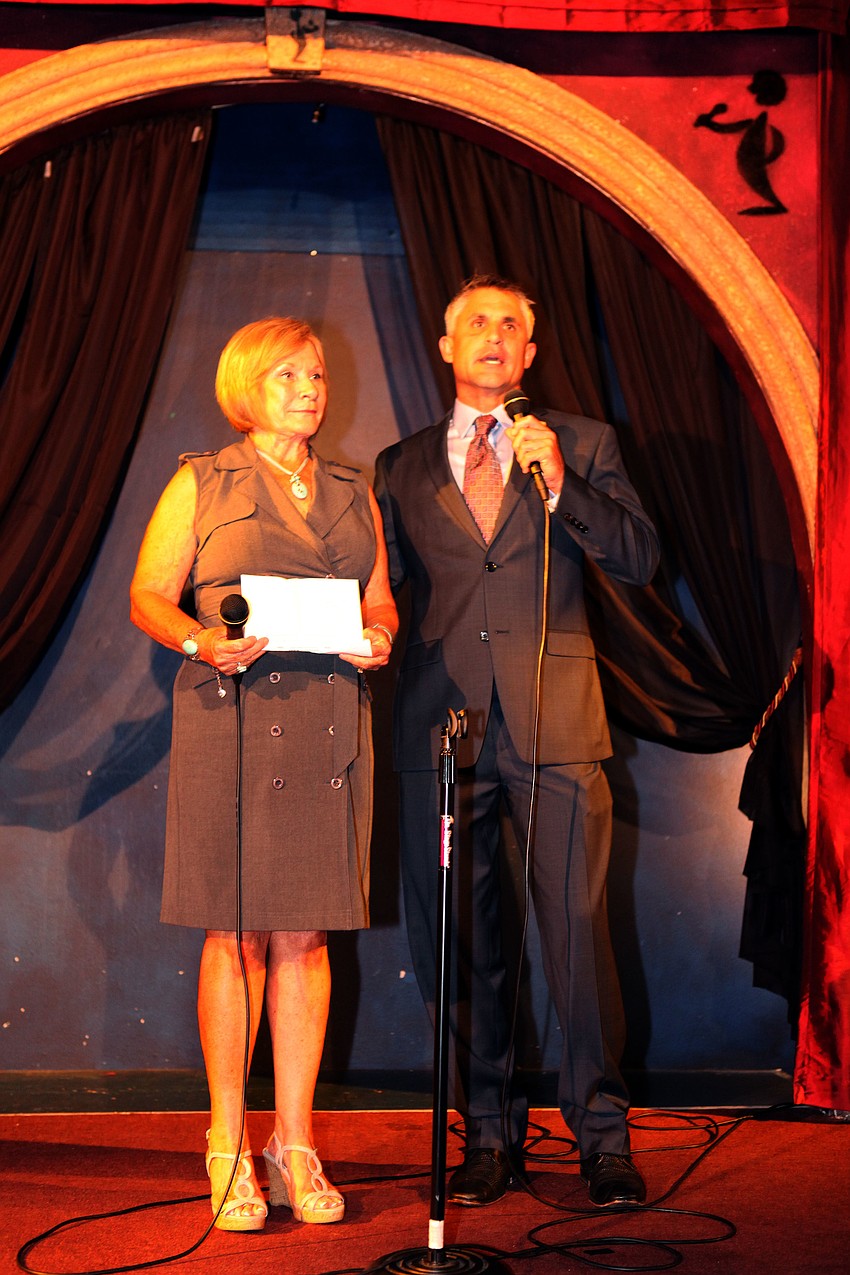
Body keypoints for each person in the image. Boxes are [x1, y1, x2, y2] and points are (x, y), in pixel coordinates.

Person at [374, 275, 660, 1209]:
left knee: (576, 937)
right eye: (476, 324)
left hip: (559, 724)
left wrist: (564, 484)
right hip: (442, 733)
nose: (493, 336)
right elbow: (388, 594)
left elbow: (639, 557)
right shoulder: (398, 465)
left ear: (531, 353)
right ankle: (488, 1137)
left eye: (511, 325)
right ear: (446, 347)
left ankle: (602, 1140)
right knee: (463, 943)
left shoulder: (581, 442)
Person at [130, 316, 397, 1232]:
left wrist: (381, 636)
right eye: (288, 375)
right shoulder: (202, 480)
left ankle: (295, 1141)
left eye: (316, 375)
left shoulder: (354, 490)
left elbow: (380, 599)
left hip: (328, 729)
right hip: (232, 720)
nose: (309, 389)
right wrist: (199, 639)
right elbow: (149, 594)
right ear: (246, 385)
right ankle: (228, 1140)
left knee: (307, 937)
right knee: (236, 932)